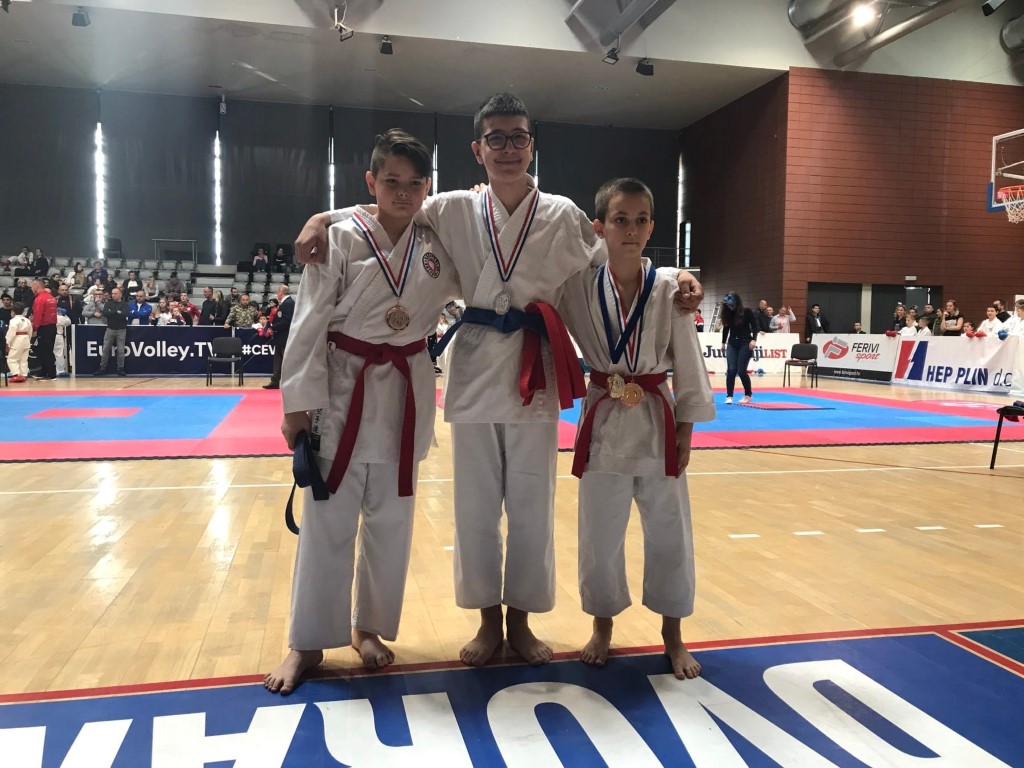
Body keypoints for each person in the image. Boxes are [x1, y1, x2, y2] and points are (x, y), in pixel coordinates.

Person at [292, 93, 704, 668]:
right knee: (476, 508)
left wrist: (680, 274)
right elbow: (387, 208)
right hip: (476, 368)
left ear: (532, 145)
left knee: (532, 506)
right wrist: (322, 218)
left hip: (534, 372)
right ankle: (488, 621)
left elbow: (618, 253)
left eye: (518, 137)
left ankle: (522, 622)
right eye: (496, 138)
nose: (508, 148)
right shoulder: (453, 207)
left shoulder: (562, 214)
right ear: (477, 149)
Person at [264, 129, 461, 695]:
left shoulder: (437, 241)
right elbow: (307, 324)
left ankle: (368, 628)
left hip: (405, 391)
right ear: (371, 182)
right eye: (391, 181)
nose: (403, 193)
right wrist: (297, 407)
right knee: (327, 522)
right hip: (343, 390)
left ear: (428, 187)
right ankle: (307, 641)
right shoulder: (341, 238)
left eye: (415, 184)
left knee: (391, 523)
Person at [558, 178, 715, 678]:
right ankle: (602, 625)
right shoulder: (577, 284)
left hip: (656, 421)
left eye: (641, 220)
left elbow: (687, 359)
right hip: (603, 418)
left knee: (670, 532)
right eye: (620, 220)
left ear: (651, 227)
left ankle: (673, 635)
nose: (631, 230)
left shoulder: (669, 289)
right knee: (599, 534)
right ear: (599, 227)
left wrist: (686, 428)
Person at [720, 292, 758, 405]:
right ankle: (729, 396)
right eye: (728, 305)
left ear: (737, 302)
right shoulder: (728, 313)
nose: (730, 307)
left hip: (745, 343)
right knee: (731, 370)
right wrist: (723, 343)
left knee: (741, 370)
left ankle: (748, 395)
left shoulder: (747, 311)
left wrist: (754, 339)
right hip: (732, 343)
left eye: (732, 305)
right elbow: (726, 329)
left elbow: (755, 327)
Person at [264, 285, 294, 389]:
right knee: (278, 360)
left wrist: (273, 327)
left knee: (285, 360)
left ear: (281, 292)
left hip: (285, 337)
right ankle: (275, 381)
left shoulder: (288, 303)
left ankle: (288, 382)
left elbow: (286, 321)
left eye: (277, 292)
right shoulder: (285, 303)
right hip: (280, 337)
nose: (277, 294)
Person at [95, 286, 130, 376]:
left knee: (121, 351)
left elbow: (125, 314)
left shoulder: (124, 304)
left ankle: (120, 368)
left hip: (121, 330)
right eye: (112, 293)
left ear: (120, 295)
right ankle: (102, 368)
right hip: (110, 329)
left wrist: (112, 312)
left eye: (115, 293)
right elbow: (106, 313)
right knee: (105, 349)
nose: (113, 295)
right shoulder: (108, 303)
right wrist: (117, 312)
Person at [30, 278, 58, 380]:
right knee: (48, 350)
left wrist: (34, 329)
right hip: (52, 327)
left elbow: (38, 315)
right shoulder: (51, 297)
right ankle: (44, 372)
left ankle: (50, 373)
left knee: (45, 351)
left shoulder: (39, 299)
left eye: (32, 286)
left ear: (37, 286)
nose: (31, 288)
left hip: (44, 327)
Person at [5, 303, 32, 383]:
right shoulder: (27, 320)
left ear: (13, 311)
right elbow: (30, 332)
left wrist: (7, 342)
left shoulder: (13, 321)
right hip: (26, 340)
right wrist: (28, 340)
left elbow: (11, 333)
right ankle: (24, 375)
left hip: (17, 340)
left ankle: (16, 375)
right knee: (23, 360)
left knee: (12, 359)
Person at [54, 307, 72, 376]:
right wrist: (64, 315)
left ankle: (53, 370)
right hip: (59, 336)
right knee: (59, 354)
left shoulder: (50, 316)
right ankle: (60, 371)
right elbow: (69, 322)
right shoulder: (60, 317)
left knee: (51, 354)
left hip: (51, 336)